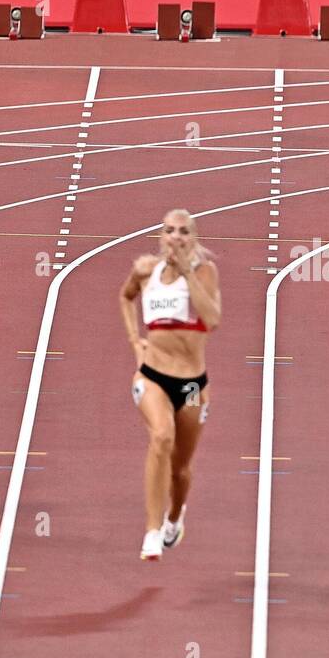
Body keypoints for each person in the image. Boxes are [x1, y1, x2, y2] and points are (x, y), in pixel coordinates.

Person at [119, 209, 220, 561]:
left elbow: (213, 319)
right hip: (152, 376)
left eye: (183, 232)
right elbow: (125, 296)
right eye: (169, 231)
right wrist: (135, 341)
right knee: (161, 436)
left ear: (193, 238)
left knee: (180, 469)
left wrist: (189, 272)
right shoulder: (146, 270)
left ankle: (175, 517)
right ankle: (151, 530)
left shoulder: (205, 273)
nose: (175, 237)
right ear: (161, 236)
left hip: (192, 386)